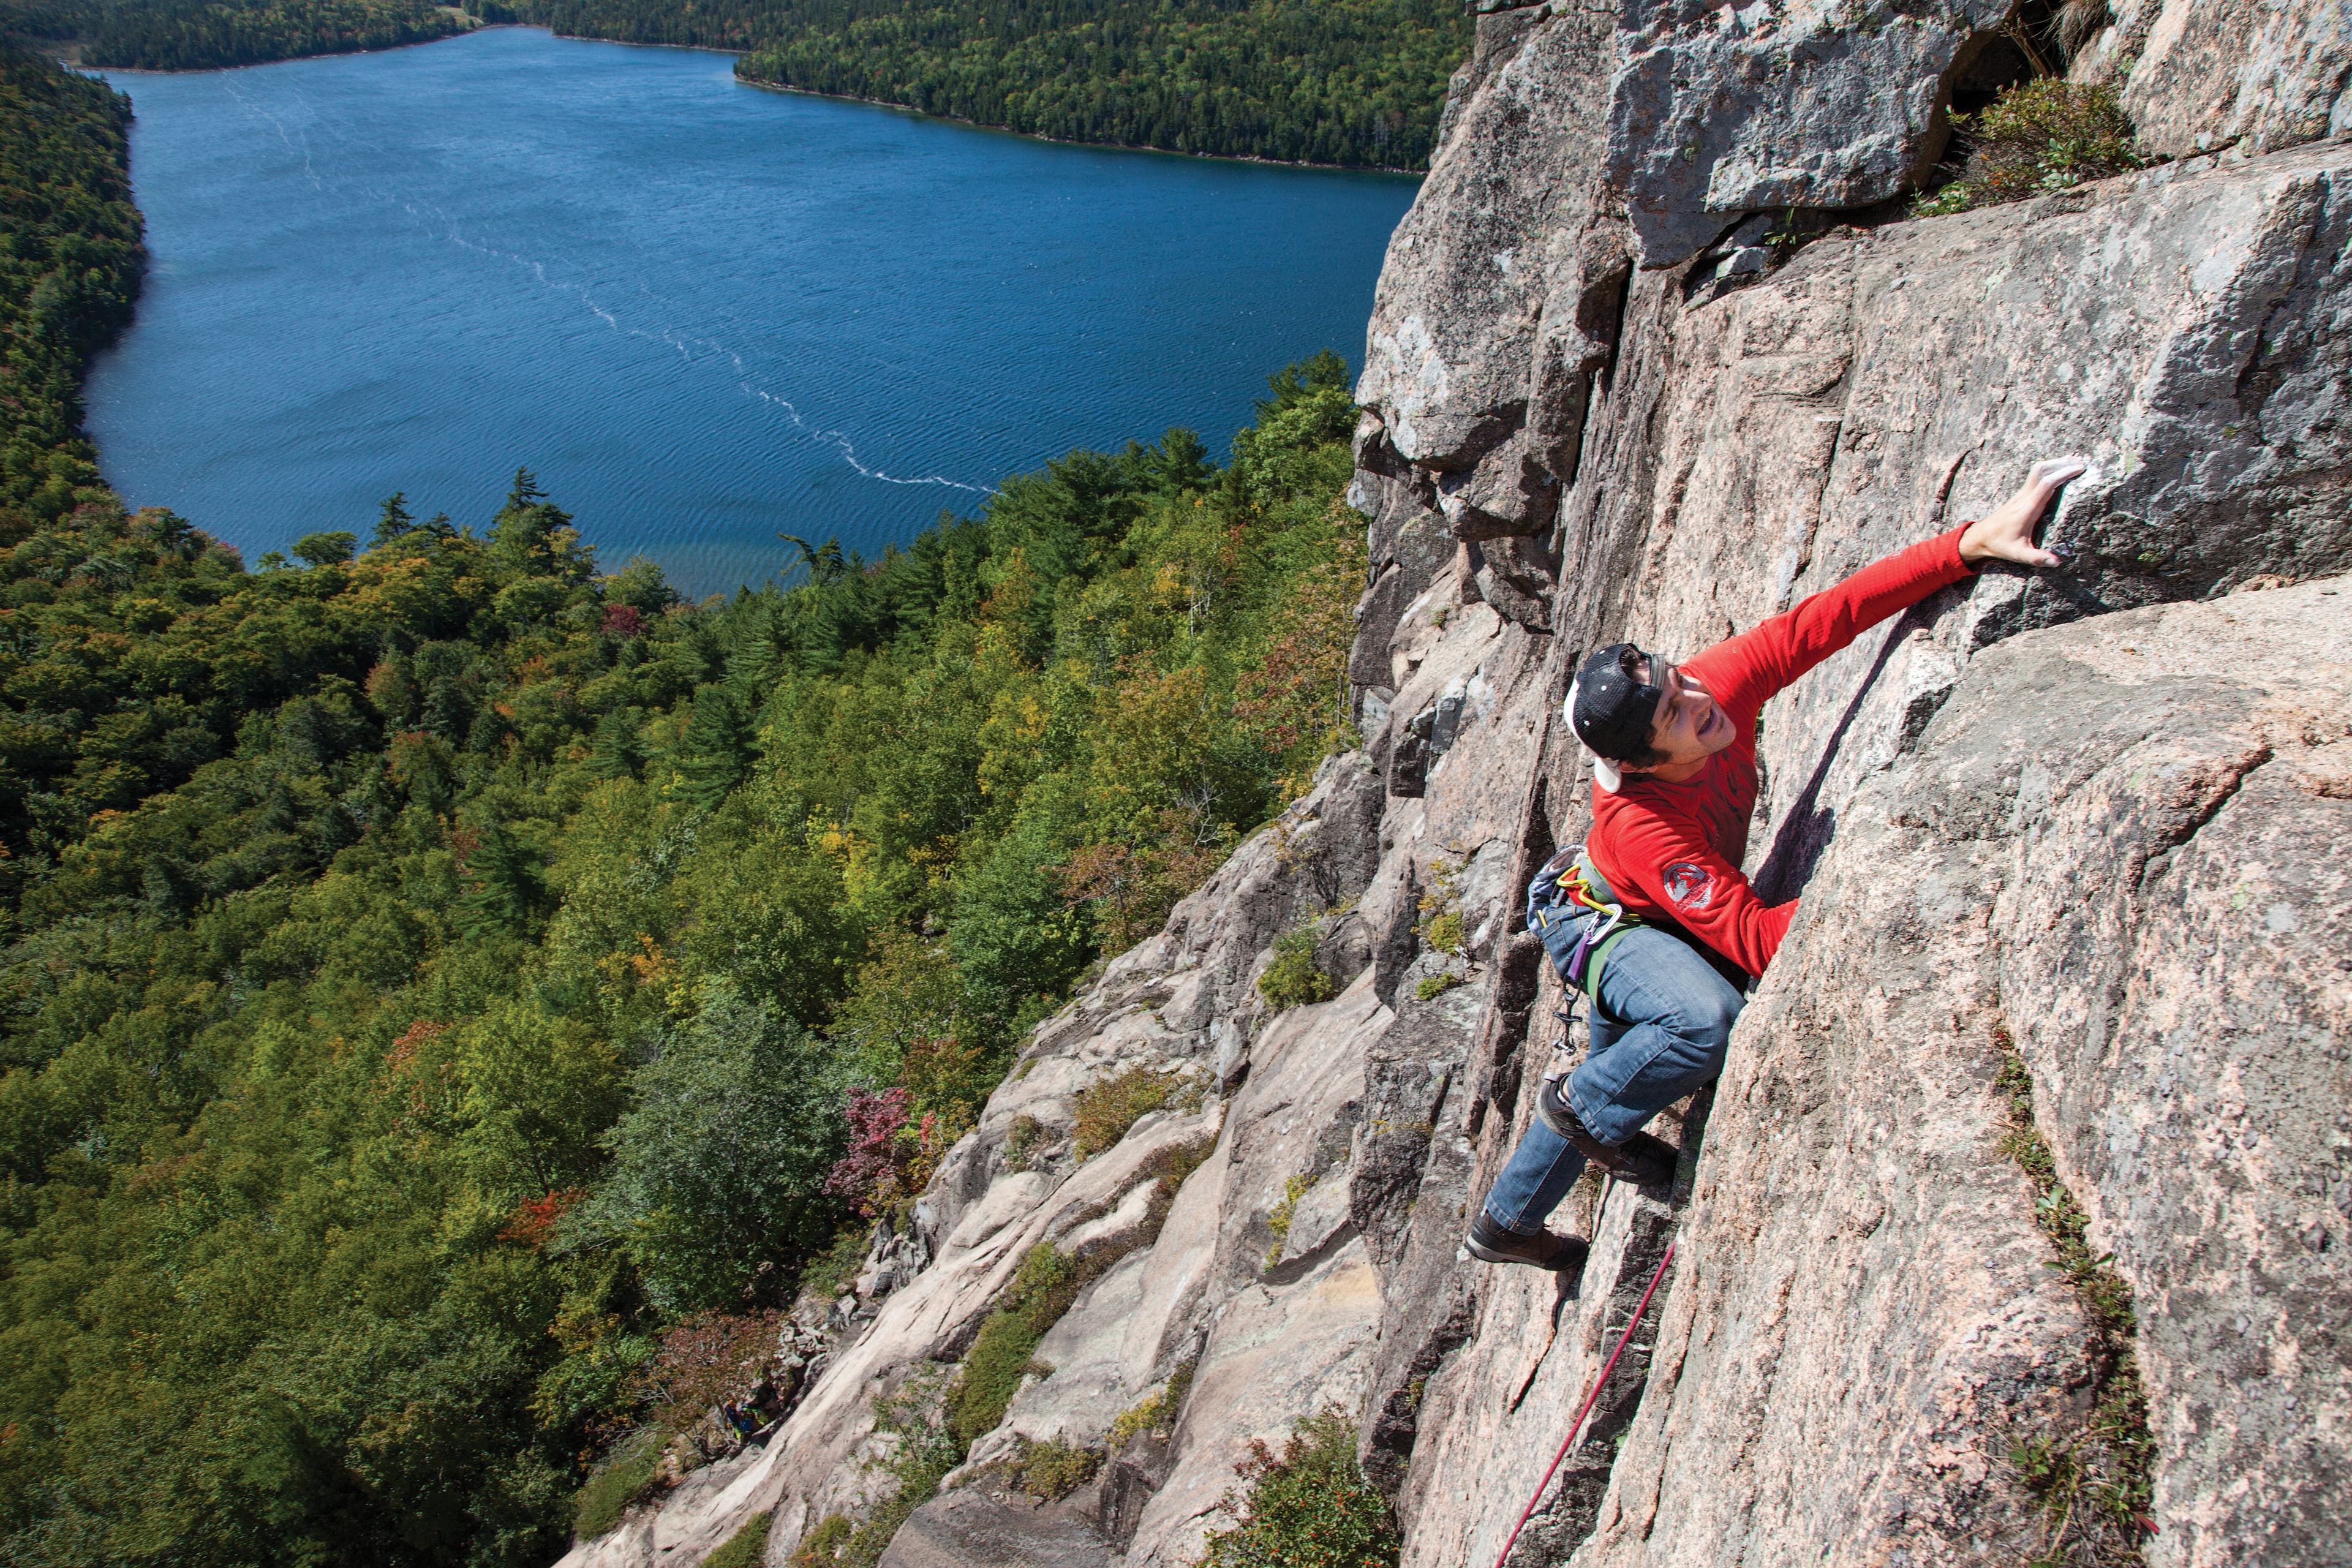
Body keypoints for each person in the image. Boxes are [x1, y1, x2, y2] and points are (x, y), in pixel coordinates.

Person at [1466, 458, 2086, 1270]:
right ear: (1643, 763)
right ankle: (1550, 1162)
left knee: (1635, 1062)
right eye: (1676, 713)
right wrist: (1880, 862)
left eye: (1680, 681)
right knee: (1698, 1023)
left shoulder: (1706, 691)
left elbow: (1821, 622)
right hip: (1606, 919)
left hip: (1649, 904)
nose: (1702, 702)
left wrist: (1967, 546)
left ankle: (1542, 1182)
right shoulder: (1647, 825)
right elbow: (1758, 944)